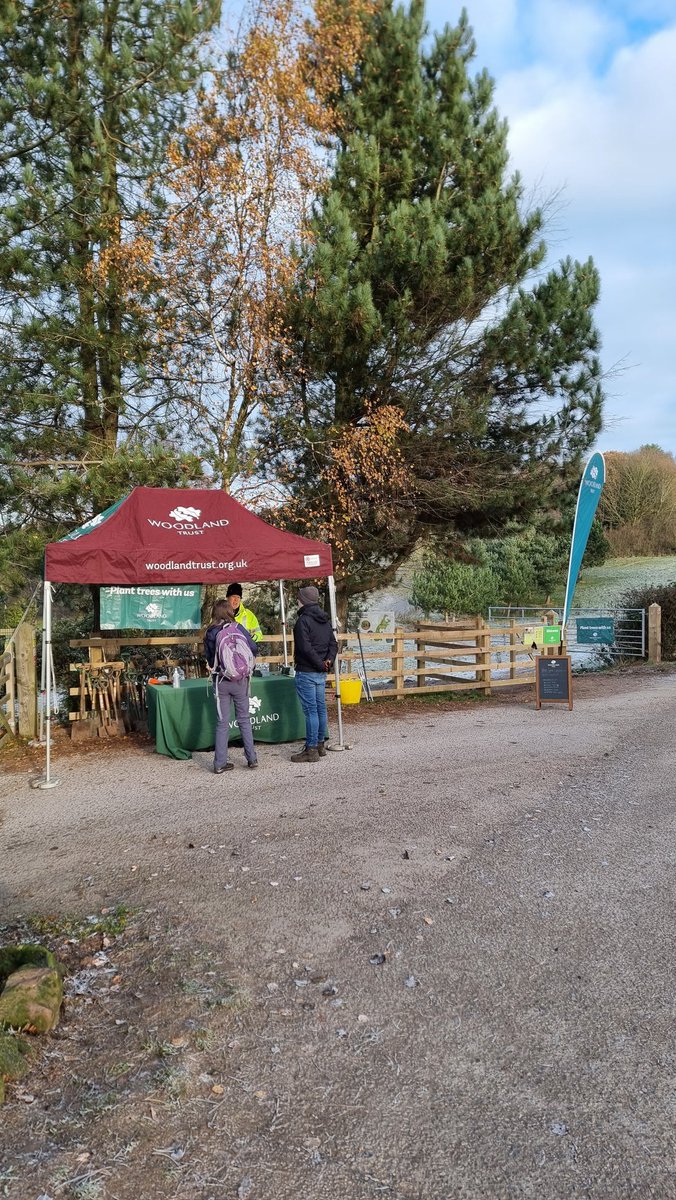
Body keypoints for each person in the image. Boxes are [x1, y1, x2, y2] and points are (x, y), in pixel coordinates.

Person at [204, 606, 259, 773]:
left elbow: (209, 657)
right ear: (229, 612)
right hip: (240, 680)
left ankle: (220, 763)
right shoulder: (238, 627)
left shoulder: (211, 632)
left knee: (222, 722)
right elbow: (254, 648)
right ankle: (252, 759)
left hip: (221, 680)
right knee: (244, 718)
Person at [291, 585, 337, 763]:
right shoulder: (324, 619)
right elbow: (333, 644)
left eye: (298, 598)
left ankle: (311, 749)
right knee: (320, 709)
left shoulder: (303, 621)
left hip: (307, 671)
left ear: (303, 600)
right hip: (320, 671)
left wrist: (320, 664)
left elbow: (304, 648)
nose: (297, 600)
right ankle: (319, 745)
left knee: (311, 711)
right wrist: (327, 662)